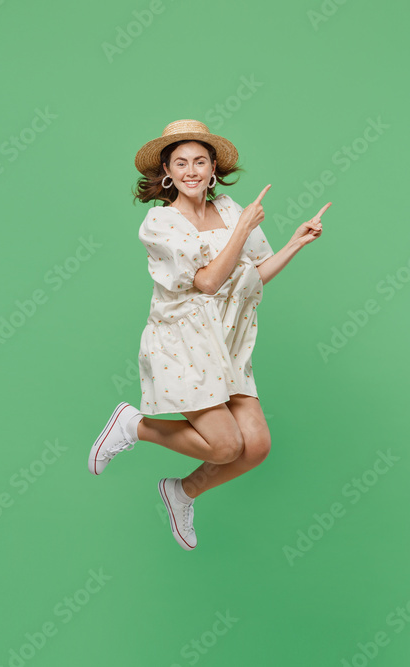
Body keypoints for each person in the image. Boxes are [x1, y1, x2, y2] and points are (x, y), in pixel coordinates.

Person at [88, 119, 330, 550]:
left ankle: (181, 492)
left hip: (228, 340)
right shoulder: (160, 223)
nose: (191, 170)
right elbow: (206, 282)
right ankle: (133, 425)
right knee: (224, 446)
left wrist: (296, 243)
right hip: (183, 341)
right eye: (181, 162)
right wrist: (241, 231)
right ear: (167, 169)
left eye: (200, 161)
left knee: (255, 447)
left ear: (213, 167)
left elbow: (252, 277)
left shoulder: (233, 210)